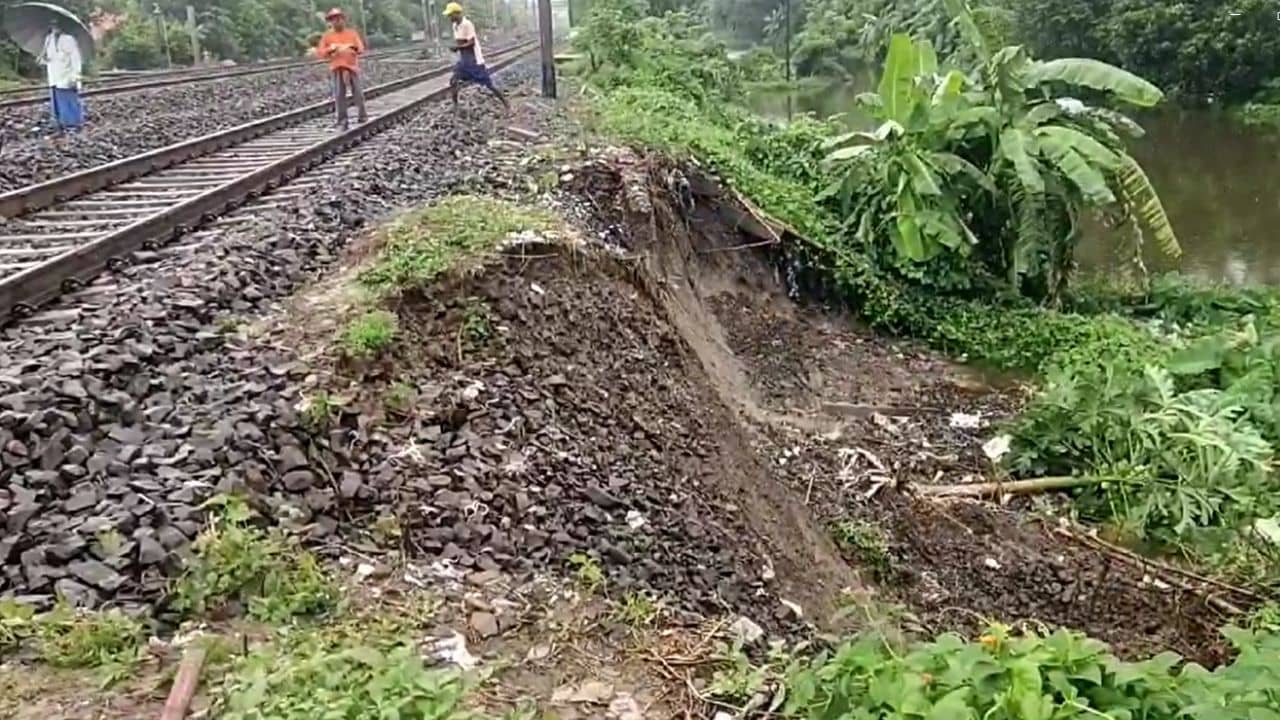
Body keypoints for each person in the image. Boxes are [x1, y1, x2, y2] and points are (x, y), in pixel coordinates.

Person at [444, 2, 509, 112]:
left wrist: (457, 48)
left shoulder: (467, 24)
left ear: (457, 13)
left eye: (450, 15)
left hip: (474, 61)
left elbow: (471, 42)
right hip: (464, 61)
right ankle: (455, 107)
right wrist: (457, 48)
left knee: (488, 84)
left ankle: (506, 103)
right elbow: (460, 42)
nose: (449, 17)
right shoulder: (455, 26)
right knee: (453, 81)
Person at [315, 8, 367, 130]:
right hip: (337, 67)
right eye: (334, 19)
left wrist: (350, 47)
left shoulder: (352, 34)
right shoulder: (327, 36)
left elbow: (360, 48)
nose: (337, 21)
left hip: (352, 67)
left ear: (343, 20)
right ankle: (342, 119)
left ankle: (362, 115)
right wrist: (331, 49)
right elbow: (320, 53)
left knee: (358, 92)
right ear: (331, 22)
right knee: (339, 94)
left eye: (339, 18)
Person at [39, 20, 84, 131]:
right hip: (54, 75)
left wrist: (75, 77)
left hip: (67, 76)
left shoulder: (68, 39)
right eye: (52, 25)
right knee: (56, 102)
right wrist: (43, 59)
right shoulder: (48, 39)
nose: (55, 28)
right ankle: (59, 123)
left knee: (69, 101)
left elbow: (76, 59)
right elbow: (49, 58)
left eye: (57, 25)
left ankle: (73, 125)